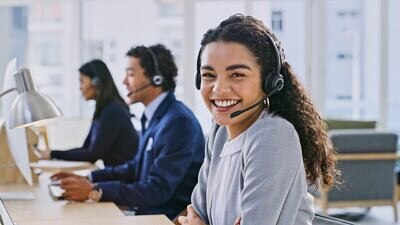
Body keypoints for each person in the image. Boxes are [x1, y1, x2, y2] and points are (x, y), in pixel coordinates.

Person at [178, 14, 338, 225]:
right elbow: (195, 211)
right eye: (209, 75)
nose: (218, 89)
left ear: (270, 83)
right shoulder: (220, 132)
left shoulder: (273, 135)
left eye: (236, 75)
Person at [51, 44, 205, 220]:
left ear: (156, 79)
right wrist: (90, 178)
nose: (124, 81)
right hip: (144, 211)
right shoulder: (153, 117)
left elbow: (156, 190)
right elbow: (134, 168)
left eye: (131, 74)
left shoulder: (178, 122)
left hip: (161, 218)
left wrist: (96, 191)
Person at [39, 59, 138, 167]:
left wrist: (54, 154)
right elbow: (86, 148)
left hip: (123, 179)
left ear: (96, 82)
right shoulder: (102, 110)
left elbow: (92, 155)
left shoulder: (112, 111)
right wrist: (52, 154)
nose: (80, 87)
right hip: (114, 175)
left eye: (82, 81)